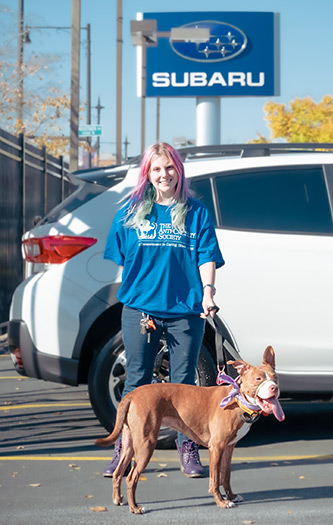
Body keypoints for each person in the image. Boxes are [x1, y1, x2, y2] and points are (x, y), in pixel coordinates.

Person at [102, 142, 224, 478]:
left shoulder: (196, 212)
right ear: (147, 174)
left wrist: (208, 293)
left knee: (185, 386)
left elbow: (206, 257)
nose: (164, 174)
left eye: (169, 167)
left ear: (178, 170)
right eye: (156, 169)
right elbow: (122, 261)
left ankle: (188, 451)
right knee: (136, 385)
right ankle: (123, 452)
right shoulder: (129, 213)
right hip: (141, 309)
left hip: (186, 310)